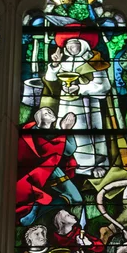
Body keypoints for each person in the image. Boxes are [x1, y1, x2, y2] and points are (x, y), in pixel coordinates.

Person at [41, 25, 111, 178]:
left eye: (76, 45)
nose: (72, 48)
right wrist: (54, 65)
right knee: (69, 133)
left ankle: (96, 165)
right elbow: (51, 81)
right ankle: (72, 166)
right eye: (69, 45)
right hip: (66, 106)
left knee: (90, 136)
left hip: (88, 107)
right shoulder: (64, 64)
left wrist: (80, 89)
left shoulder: (95, 63)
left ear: (84, 45)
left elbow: (103, 87)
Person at [16, 108, 82, 226]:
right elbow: (51, 150)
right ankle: (35, 210)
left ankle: (38, 208)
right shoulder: (35, 133)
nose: (50, 113)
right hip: (40, 172)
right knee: (73, 199)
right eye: (46, 113)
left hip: (53, 170)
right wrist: (65, 131)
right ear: (39, 120)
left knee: (76, 200)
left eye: (51, 111)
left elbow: (69, 150)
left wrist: (66, 131)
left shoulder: (55, 132)